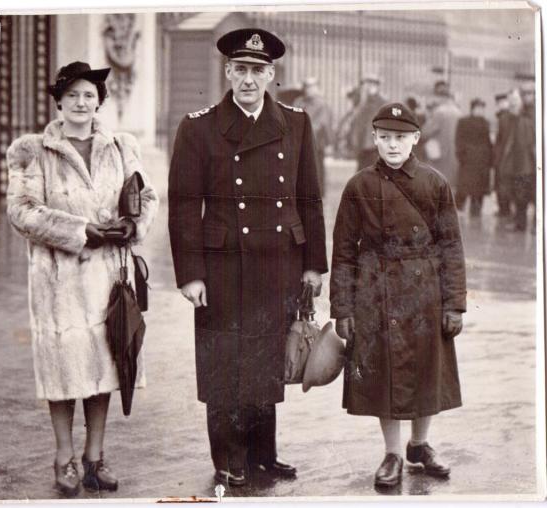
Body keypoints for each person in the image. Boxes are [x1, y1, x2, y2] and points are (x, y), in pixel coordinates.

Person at [168, 28, 327, 487]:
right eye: (240, 70)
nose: (249, 80)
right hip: (222, 264)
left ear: (271, 75)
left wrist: (314, 264)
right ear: (227, 72)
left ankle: (263, 454)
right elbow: (183, 206)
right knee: (225, 360)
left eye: (258, 71)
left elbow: (309, 197)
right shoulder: (198, 126)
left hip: (279, 260)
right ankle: (228, 457)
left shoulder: (296, 122)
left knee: (266, 356)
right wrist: (191, 274)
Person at [6, 61, 159, 495]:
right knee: (62, 372)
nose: (81, 102)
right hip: (61, 281)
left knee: (106, 365)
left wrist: (134, 223)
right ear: (58, 101)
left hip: (110, 276)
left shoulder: (121, 145)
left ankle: (95, 457)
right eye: (72, 94)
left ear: (99, 101)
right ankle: (63, 457)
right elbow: (21, 211)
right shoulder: (33, 150)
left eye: (89, 95)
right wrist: (79, 230)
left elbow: (146, 195)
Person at [330, 103, 466, 489]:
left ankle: (419, 445)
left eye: (401, 138)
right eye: (385, 138)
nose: (392, 146)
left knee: (426, 370)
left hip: (425, 293)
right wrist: (342, 307)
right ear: (373, 138)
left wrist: (455, 303)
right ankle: (392, 453)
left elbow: (452, 246)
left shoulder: (435, 183)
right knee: (383, 374)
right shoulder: (359, 186)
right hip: (374, 291)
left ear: (416, 140)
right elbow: (343, 251)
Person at [293, 76, 334, 192]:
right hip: (300, 141)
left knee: (317, 168)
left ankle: (319, 193)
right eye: (307, 86)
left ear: (317, 88)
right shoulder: (299, 102)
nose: (308, 89)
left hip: (316, 142)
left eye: (312, 86)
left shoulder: (322, 104)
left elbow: (322, 123)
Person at [454, 98, 493, 217]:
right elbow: (458, 139)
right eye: (478, 108)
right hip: (468, 159)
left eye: (482, 108)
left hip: (482, 160)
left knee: (479, 188)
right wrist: (461, 155)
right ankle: (457, 208)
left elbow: (489, 142)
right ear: (472, 109)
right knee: (464, 186)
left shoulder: (486, 122)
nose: (480, 110)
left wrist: (489, 159)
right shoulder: (463, 121)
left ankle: (476, 211)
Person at [420, 82, 462, 187]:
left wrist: (427, 116)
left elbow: (424, 132)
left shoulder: (439, 112)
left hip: (438, 157)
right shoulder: (458, 112)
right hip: (454, 157)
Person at [510, 80, 536, 232]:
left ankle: (534, 226)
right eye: (524, 94)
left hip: (531, 162)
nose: (527, 97)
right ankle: (521, 224)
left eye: (530, 93)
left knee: (534, 195)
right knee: (520, 195)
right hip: (521, 161)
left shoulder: (534, 113)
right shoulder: (520, 113)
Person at [349, 74, 386, 171]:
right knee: (362, 172)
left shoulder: (382, 103)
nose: (369, 87)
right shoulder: (362, 102)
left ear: (377, 86)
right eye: (367, 84)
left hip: (374, 145)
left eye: (372, 84)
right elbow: (356, 121)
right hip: (362, 144)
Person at [492, 91, 512, 217]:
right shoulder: (505, 116)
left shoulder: (504, 118)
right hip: (504, 156)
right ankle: (504, 209)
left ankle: (504, 210)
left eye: (501, 103)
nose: (499, 105)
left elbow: (502, 140)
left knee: (501, 183)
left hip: (502, 157)